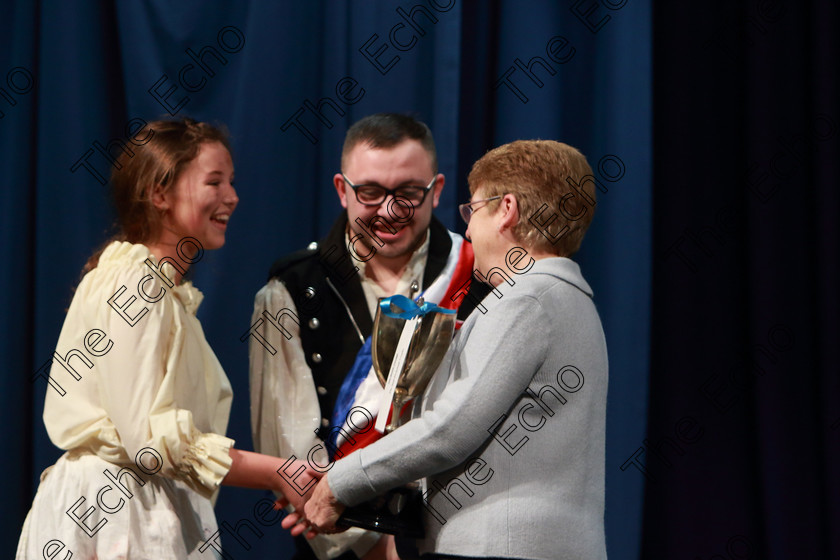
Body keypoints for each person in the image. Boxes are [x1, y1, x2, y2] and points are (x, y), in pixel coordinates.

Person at [17, 118, 320, 559]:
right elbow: (149, 441)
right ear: (159, 194)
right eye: (213, 182)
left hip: (141, 503)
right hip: (113, 513)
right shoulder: (135, 284)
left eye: (231, 182)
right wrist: (277, 472)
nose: (231, 197)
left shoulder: (161, 292)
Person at [291, 140, 609, 560]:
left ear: (507, 210)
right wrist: (350, 482)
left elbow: (450, 431)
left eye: (473, 210)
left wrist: (342, 483)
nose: (469, 230)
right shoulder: (570, 300)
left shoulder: (526, 299)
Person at [248, 113, 488, 559]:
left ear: (436, 191)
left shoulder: (481, 277)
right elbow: (289, 449)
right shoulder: (289, 291)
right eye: (371, 192)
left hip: (461, 535)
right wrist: (374, 541)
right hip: (341, 542)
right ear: (342, 190)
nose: (389, 211)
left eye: (408, 193)